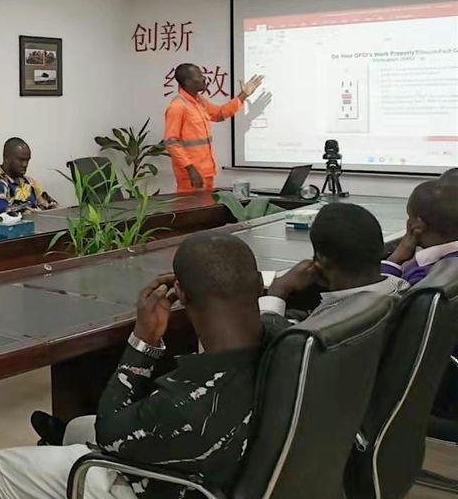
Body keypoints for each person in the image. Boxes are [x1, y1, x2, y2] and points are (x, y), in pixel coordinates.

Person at [0, 232, 266, 499]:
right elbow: (274, 306)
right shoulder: (280, 342)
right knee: (78, 427)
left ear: (182, 295)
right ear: (259, 284)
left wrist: (144, 340)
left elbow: (109, 431)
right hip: (229, 481)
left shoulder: (187, 403)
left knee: (1, 470)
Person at [261, 201, 408, 319]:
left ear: (321, 261)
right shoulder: (404, 289)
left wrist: (277, 292)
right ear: (382, 249)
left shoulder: (326, 322)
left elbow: (272, 340)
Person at [164, 64, 263, 192]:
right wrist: (190, 168)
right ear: (188, 81)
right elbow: (171, 142)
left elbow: (219, 114)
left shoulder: (200, 101)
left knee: (207, 204)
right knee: (192, 205)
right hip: (191, 174)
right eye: (199, 76)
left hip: (206, 171)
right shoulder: (177, 106)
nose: (204, 78)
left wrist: (243, 95)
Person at [382, 179, 458, 285]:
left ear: (416, 225)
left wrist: (394, 260)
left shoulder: (422, 276)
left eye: (409, 217)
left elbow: (380, 292)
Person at [0, 138, 57, 216]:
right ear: (6, 158)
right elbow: (2, 210)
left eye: (27, 160)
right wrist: (31, 212)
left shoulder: (29, 182)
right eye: (21, 160)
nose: (25, 164)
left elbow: (50, 205)